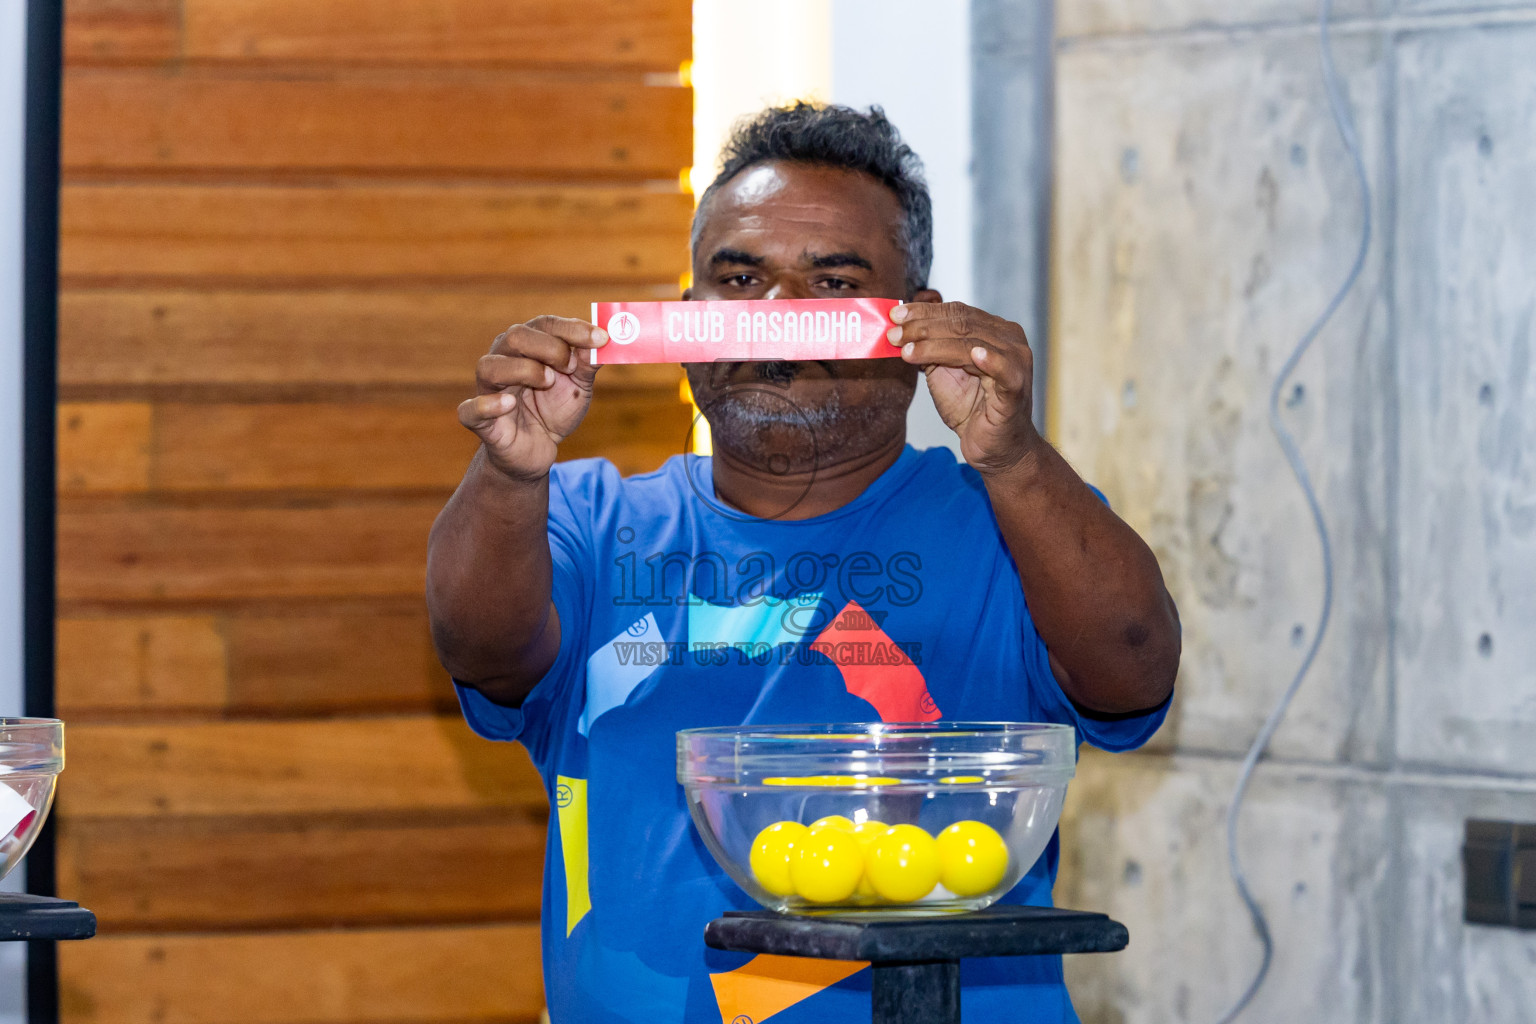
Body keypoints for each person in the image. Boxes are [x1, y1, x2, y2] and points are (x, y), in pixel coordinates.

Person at [427, 103, 1180, 1023]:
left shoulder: (1007, 521)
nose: (779, 320)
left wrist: (1014, 456)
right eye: (739, 279)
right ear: (688, 315)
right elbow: (479, 647)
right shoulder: (588, 517)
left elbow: (1134, 671)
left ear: (918, 326)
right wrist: (508, 474)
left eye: (831, 285)